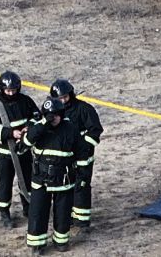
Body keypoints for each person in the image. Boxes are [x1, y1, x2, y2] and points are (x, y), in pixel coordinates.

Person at [0, 70, 39, 228]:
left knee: (28, 180)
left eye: (14, 90)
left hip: (24, 151)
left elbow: (36, 117)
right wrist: (10, 133)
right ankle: (4, 212)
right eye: (8, 90)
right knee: (4, 183)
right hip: (4, 154)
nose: (11, 93)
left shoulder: (25, 101)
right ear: (1, 89)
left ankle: (28, 207)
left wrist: (28, 128)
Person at [24, 97, 79, 254]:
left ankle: (61, 241)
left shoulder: (70, 128)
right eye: (49, 115)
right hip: (41, 179)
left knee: (62, 211)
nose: (52, 119)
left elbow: (80, 151)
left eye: (55, 115)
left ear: (61, 114)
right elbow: (27, 141)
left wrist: (81, 175)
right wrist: (43, 123)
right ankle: (37, 244)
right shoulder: (37, 127)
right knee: (38, 212)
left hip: (63, 178)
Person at [50, 79, 103, 229]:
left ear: (71, 94)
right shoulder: (53, 112)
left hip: (82, 158)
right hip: (64, 158)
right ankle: (68, 217)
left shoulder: (84, 109)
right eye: (60, 98)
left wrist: (82, 147)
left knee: (81, 186)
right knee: (66, 187)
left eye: (65, 97)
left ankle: (82, 221)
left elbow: (95, 131)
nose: (63, 101)